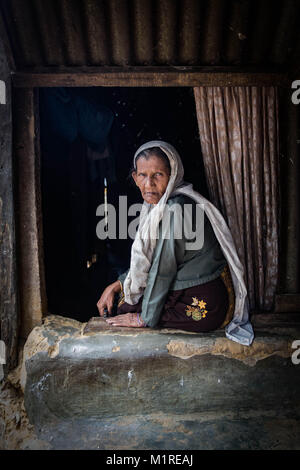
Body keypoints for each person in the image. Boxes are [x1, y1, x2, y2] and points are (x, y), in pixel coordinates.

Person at [97, 141, 254, 346]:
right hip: (190, 286)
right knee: (127, 300)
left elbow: (163, 268)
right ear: (135, 178)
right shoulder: (160, 206)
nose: (149, 183)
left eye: (158, 175)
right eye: (143, 175)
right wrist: (117, 284)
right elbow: (151, 261)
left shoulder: (177, 208)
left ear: (173, 176)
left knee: (127, 309)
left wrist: (143, 318)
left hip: (205, 297)